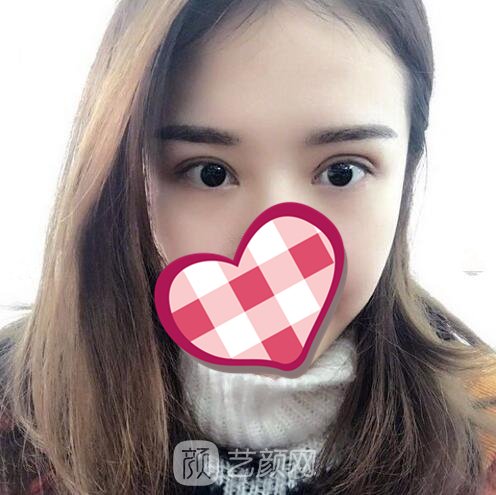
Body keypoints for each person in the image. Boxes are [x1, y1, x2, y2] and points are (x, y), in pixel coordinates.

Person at [1, 0, 496, 494]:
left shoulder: (482, 431)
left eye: (342, 172)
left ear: (407, 170)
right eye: (209, 173)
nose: (277, 249)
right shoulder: (16, 414)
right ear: (126, 177)